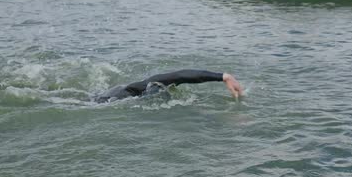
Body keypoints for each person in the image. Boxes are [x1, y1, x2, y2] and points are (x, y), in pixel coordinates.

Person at [92, 69, 243, 103]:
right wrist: (223, 77)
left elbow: (178, 76)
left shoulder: (141, 86)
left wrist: (223, 77)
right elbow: (178, 77)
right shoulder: (135, 91)